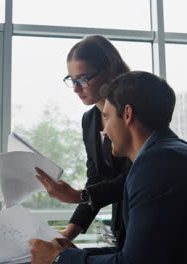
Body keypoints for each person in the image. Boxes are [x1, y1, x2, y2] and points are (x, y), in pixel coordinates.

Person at [30, 71, 187, 264]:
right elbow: (135, 253)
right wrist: (71, 254)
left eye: (106, 117)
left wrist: (59, 260)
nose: (104, 131)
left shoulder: (157, 165)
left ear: (127, 114)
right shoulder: (164, 155)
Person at [35, 35, 132, 249]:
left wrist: (81, 195)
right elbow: (97, 178)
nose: (76, 89)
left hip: (143, 219)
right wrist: (70, 232)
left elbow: (135, 178)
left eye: (83, 79)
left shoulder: (133, 113)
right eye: (72, 80)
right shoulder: (89, 120)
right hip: (123, 227)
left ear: (111, 71)